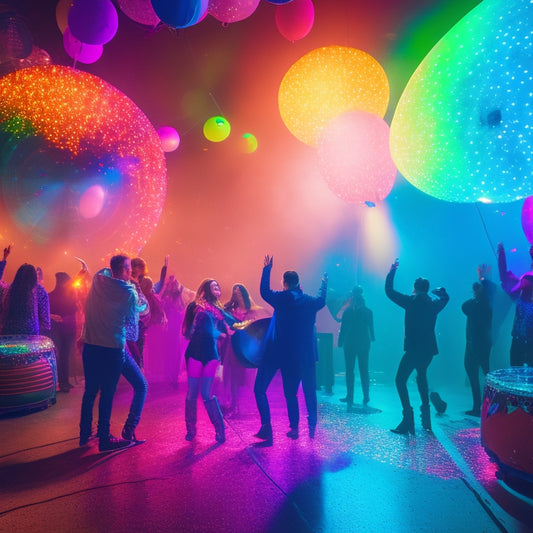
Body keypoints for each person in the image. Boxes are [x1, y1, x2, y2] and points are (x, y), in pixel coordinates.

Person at [254, 255, 327, 443]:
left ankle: (288, 428)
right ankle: (311, 426)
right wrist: (324, 283)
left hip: (284, 354)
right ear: (299, 283)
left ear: (284, 282)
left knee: (286, 392)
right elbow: (321, 300)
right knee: (309, 391)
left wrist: (266, 269)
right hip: (305, 355)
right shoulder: (309, 301)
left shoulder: (281, 298)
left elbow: (264, 291)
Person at [79, 254, 140, 452]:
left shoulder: (98, 282)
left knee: (90, 392)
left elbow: (102, 274)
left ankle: (84, 435)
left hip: (91, 345)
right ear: (124, 270)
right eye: (129, 268)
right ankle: (104, 440)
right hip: (112, 348)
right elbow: (132, 326)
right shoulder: (129, 293)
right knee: (107, 394)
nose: (132, 271)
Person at [385, 258, 449, 434]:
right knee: (421, 377)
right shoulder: (433, 304)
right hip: (427, 351)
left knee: (400, 380)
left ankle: (408, 419)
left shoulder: (410, 302)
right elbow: (445, 297)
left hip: (413, 349)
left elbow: (389, 291)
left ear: (415, 287)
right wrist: (438, 290)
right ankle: (426, 419)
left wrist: (392, 270)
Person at [182, 278, 232, 443]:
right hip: (196, 352)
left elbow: (232, 324)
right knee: (192, 392)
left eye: (218, 285)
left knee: (206, 393)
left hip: (211, 354)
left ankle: (220, 430)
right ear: (205, 289)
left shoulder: (219, 310)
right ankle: (191, 429)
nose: (217, 287)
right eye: (214, 286)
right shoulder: (195, 307)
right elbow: (186, 330)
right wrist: (218, 334)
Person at [222, 283, 268, 416]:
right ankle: (233, 403)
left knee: (245, 377)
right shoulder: (229, 310)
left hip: (246, 347)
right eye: (235, 292)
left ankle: (243, 405)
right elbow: (225, 324)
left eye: (240, 292)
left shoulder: (252, 310)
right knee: (232, 376)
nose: (237, 294)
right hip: (232, 346)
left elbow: (257, 328)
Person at [461, 272, 494, 417]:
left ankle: (481, 407)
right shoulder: (486, 305)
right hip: (481, 344)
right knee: (482, 375)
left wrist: (478, 290)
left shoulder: (477, 305)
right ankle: (486, 406)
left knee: (476, 375)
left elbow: (464, 307)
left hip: (475, 344)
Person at [338, 286, 375, 411]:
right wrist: (373, 338)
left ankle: (350, 396)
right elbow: (371, 327)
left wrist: (340, 341)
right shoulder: (368, 311)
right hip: (364, 342)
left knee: (350, 370)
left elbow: (343, 329)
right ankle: (366, 396)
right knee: (364, 370)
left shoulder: (348, 311)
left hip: (350, 343)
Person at [497, 243, 533, 367]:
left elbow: (509, 288)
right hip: (522, 336)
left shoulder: (527, 279)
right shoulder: (526, 279)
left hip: (522, 337)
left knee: (516, 374)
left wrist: (501, 255)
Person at [1, 263, 50, 336]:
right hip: (31, 337)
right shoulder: (40, 291)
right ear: (34, 277)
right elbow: (46, 323)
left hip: (8, 336)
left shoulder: (9, 290)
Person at [49, 272, 77, 393]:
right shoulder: (69, 296)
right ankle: (63, 382)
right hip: (65, 329)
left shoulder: (51, 296)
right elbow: (74, 311)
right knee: (62, 355)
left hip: (62, 329)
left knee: (62, 355)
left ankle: (63, 381)